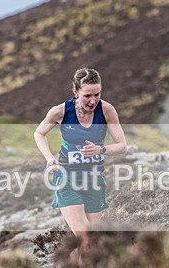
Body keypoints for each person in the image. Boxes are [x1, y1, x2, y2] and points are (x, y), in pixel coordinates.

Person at [34, 67, 127, 253]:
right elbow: (39, 133)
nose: (93, 101)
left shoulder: (107, 110)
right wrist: (50, 158)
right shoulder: (60, 111)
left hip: (94, 180)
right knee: (86, 238)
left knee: (92, 240)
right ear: (76, 92)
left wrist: (100, 150)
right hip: (67, 180)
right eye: (87, 96)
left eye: (97, 94)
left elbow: (122, 145)